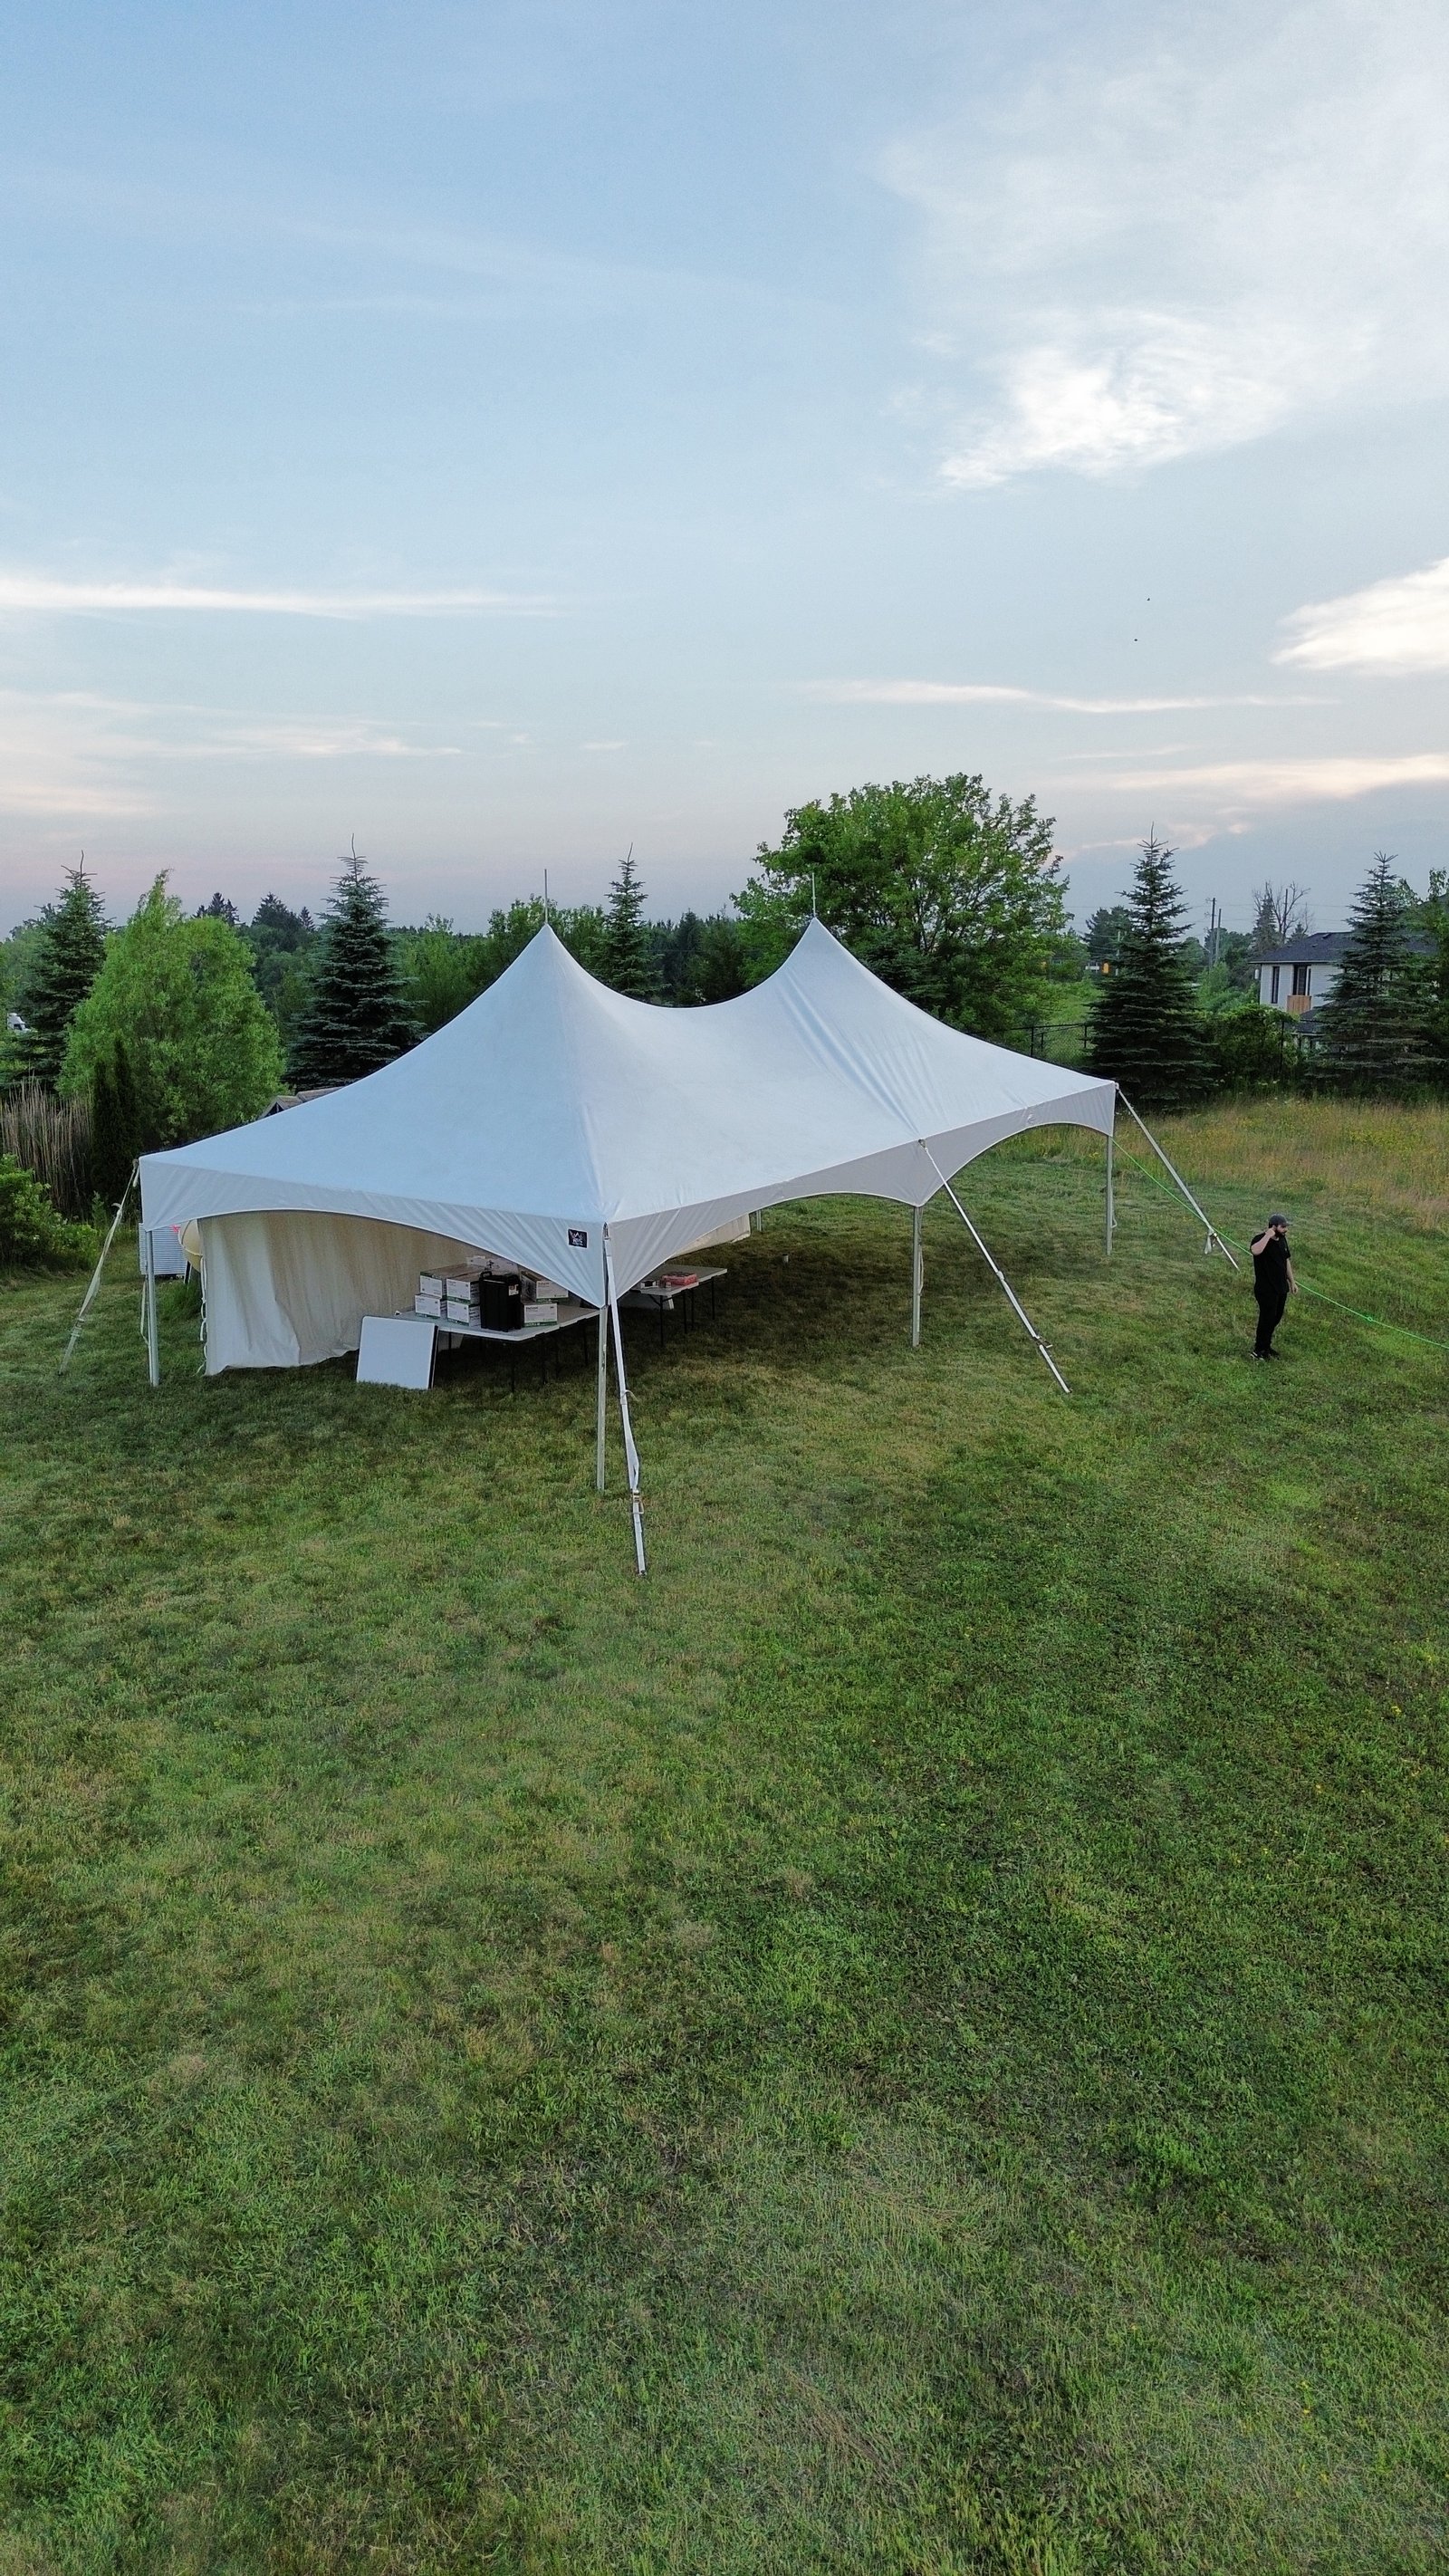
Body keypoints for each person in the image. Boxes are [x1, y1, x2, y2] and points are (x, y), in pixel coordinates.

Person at [1249, 1214, 1295, 1359]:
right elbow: (1255, 1250)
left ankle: (1266, 1346)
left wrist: (1292, 1282)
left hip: (1281, 1288)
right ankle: (1259, 1350)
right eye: (1283, 1227)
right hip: (1266, 1289)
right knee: (1267, 1319)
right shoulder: (1260, 1239)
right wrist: (1268, 1236)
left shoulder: (1282, 1240)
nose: (1286, 1230)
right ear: (1273, 1227)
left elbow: (1286, 1261)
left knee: (1276, 1317)